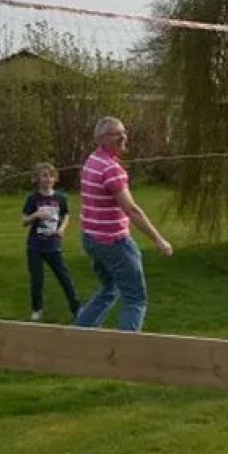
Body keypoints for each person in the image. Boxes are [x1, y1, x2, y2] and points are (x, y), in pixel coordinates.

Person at [73, 116, 173, 332]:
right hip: (113, 243)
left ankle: (78, 336)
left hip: (91, 239)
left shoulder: (92, 160)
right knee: (135, 299)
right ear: (101, 139)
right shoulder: (110, 169)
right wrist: (159, 239)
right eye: (116, 134)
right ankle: (125, 356)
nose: (123, 137)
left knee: (110, 288)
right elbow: (132, 210)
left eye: (124, 132)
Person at [22, 162, 81, 321]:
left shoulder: (60, 198)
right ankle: (37, 309)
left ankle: (76, 309)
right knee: (37, 280)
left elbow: (66, 215)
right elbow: (24, 221)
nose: (47, 179)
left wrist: (62, 229)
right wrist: (35, 216)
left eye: (50, 176)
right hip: (35, 246)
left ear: (55, 179)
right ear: (37, 179)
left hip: (53, 246)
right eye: (43, 175)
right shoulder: (33, 198)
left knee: (65, 278)